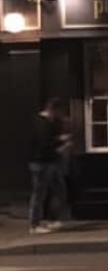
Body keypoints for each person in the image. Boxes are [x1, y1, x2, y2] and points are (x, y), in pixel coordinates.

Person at [28, 96, 70, 234]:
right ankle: (34, 225)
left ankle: (52, 219)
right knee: (39, 193)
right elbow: (45, 144)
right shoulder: (42, 124)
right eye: (59, 112)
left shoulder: (46, 123)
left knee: (58, 190)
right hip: (41, 162)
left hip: (49, 162)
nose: (59, 115)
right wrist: (61, 142)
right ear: (53, 110)